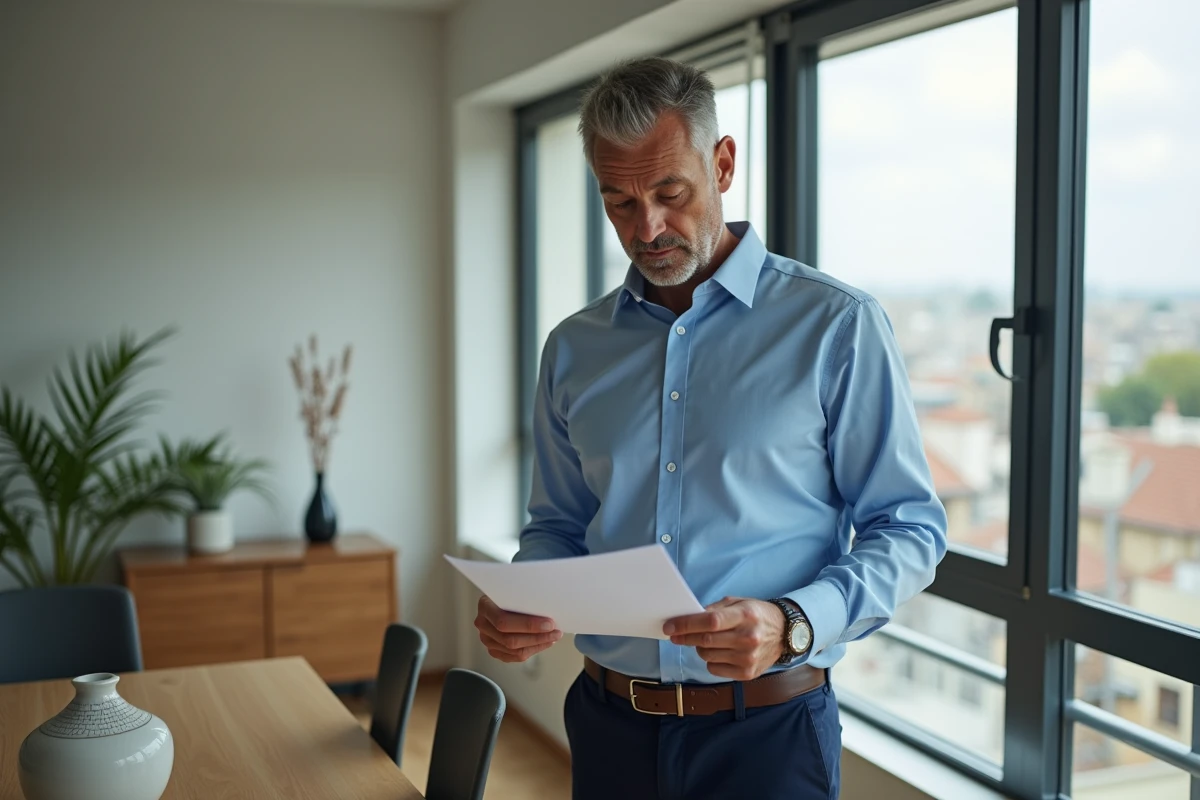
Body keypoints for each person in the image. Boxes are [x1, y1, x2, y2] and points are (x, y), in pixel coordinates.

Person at [474, 56, 948, 800]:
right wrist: (525, 594)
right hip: (607, 726)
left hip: (767, 735)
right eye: (619, 202)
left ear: (722, 163)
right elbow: (558, 523)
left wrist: (795, 623)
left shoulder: (835, 326)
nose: (648, 227)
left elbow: (910, 527)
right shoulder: (573, 347)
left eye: (670, 192)